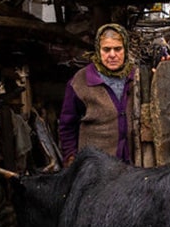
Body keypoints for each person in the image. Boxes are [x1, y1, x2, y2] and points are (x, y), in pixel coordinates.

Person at [58, 23, 138, 166]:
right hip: (96, 167)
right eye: (106, 49)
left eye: (118, 49)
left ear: (125, 49)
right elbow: (67, 125)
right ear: (98, 50)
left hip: (133, 167)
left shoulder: (136, 77)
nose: (112, 55)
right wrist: (71, 157)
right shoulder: (81, 81)